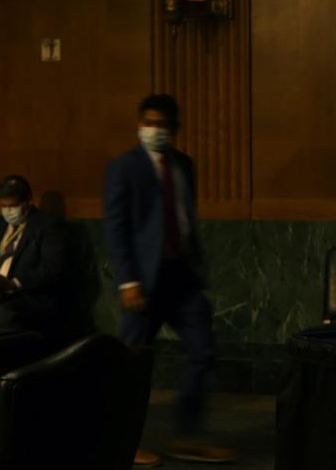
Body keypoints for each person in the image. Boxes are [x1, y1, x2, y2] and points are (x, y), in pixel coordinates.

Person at [104, 94, 235, 467]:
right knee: (131, 364)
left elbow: (184, 218)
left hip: (182, 277)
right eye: (148, 122)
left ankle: (188, 435)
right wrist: (127, 281)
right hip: (143, 282)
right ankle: (122, 443)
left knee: (203, 351)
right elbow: (117, 227)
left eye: (161, 124)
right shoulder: (123, 168)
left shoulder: (184, 165)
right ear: (139, 124)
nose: (154, 130)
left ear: (175, 129)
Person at [0, 175, 66, 336]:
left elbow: (52, 270)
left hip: (26, 296)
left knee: (3, 314)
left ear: (28, 201)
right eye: (4, 206)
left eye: (13, 206)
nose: (8, 211)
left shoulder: (47, 226)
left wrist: (12, 283)